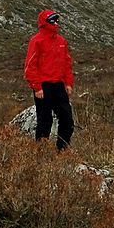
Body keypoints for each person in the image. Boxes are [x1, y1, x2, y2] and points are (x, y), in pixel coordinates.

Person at [24, 10, 74, 151]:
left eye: (57, 20)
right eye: (53, 21)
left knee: (67, 119)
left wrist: (68, 83)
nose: (56, 23)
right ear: (45, 23)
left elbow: (66, 64)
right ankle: (42, 153)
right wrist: (36, 87)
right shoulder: (36, 41)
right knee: (45, 121)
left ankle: (62, 151)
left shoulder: (61, 41)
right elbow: (30, 66)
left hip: (58, 85)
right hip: (43, 86)